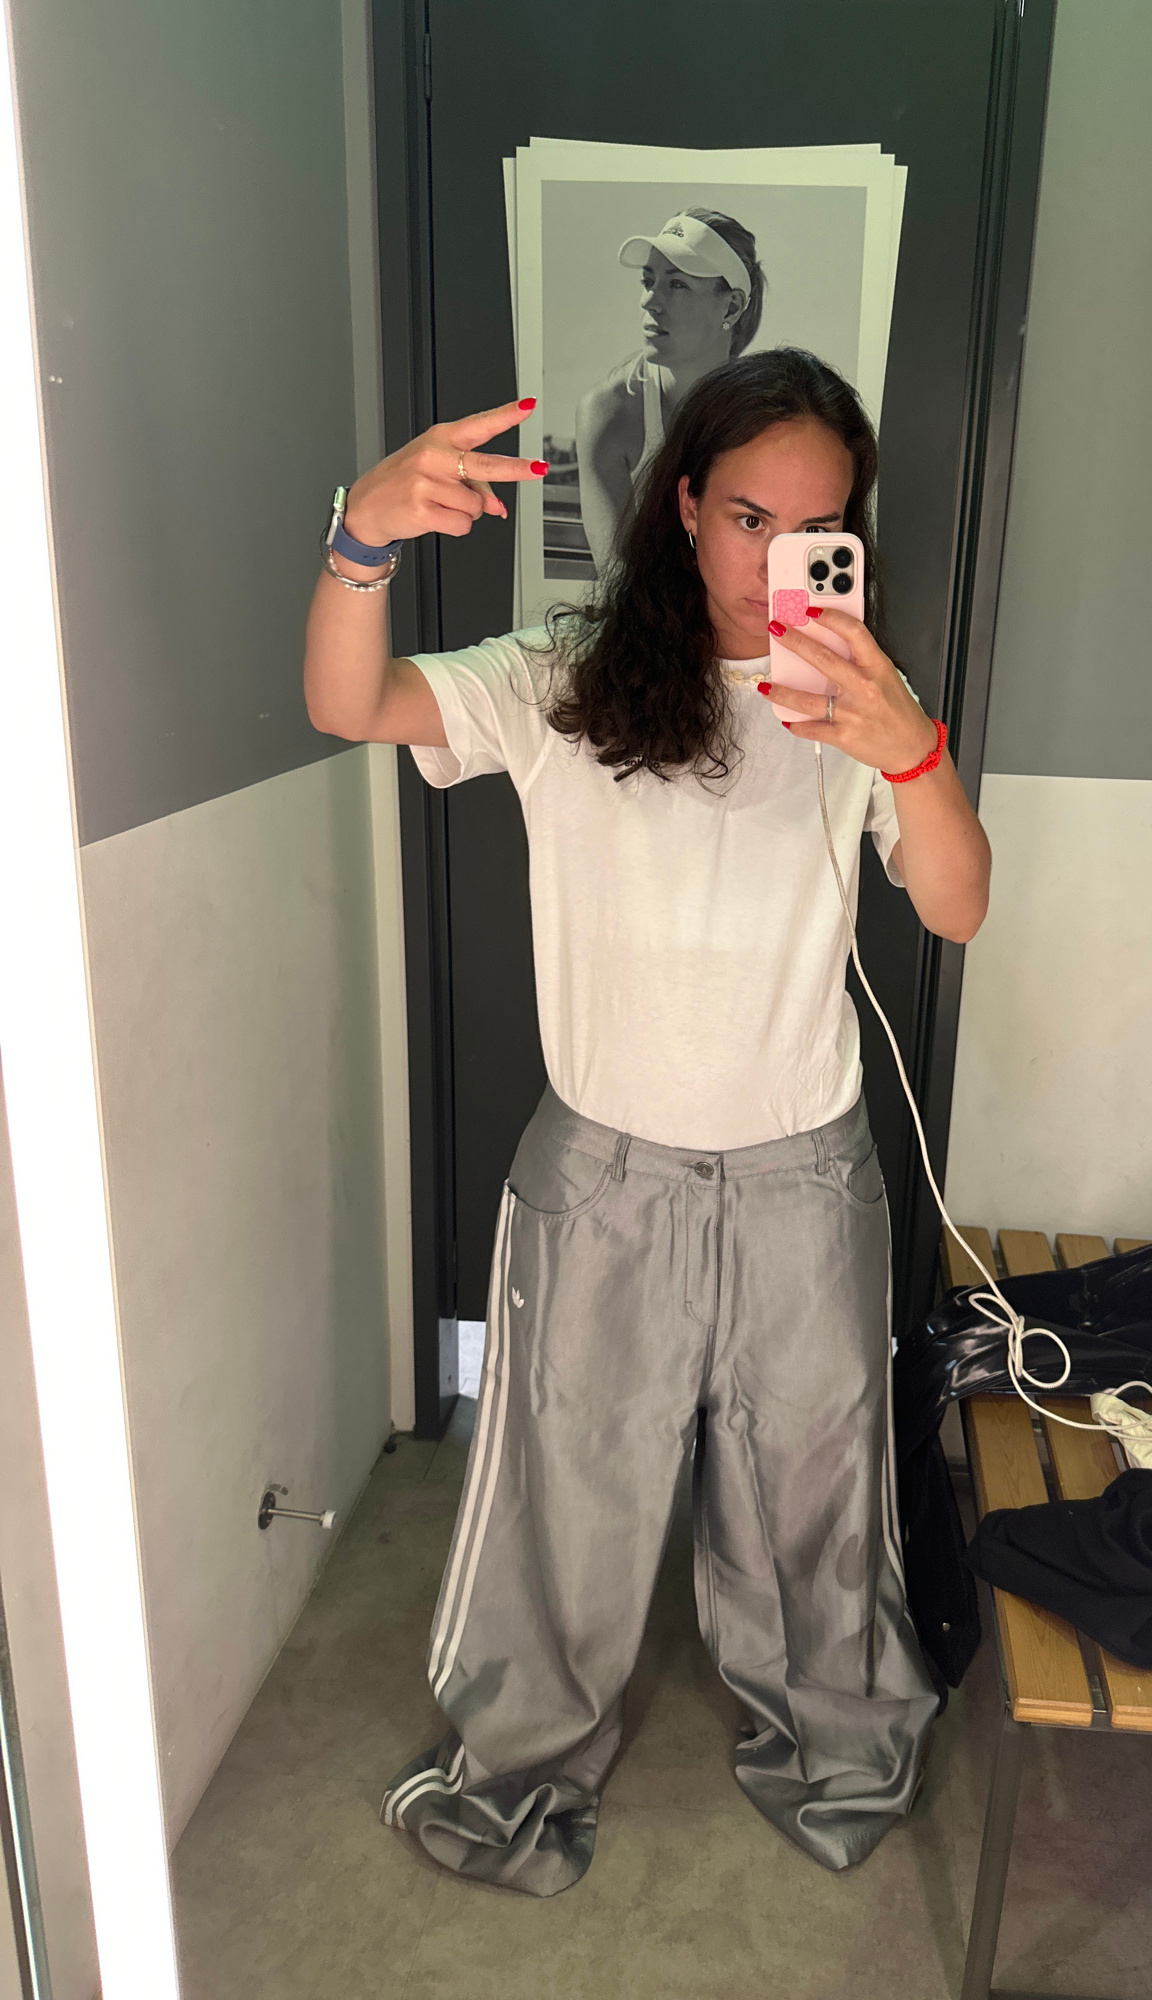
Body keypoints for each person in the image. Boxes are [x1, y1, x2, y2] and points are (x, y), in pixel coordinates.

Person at [303, 347, 991, 1897]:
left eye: (819, 528)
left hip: (806, 1172)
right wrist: (360, 539)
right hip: (603, 1170)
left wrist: (911, 752)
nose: (775, 558)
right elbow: (348, 702)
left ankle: (835, 1739)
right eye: (749, 517)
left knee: (818, 1482)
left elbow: (957, 907)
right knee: (570, 1482)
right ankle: (525, 1755)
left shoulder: (865, 699)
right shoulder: (560, 678)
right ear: (685, 505)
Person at [574, 207, 765, 570]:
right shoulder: (609, 412)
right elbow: (618, 580)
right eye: (648, 281)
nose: (649, 301)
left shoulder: (765, 418)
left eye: (677, 284)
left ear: (732, 307)